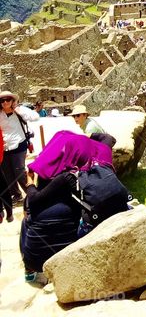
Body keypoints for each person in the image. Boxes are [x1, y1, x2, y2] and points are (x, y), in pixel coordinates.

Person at [20, 132, 112, 281]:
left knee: (26, 222)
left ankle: (29, 270)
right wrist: (89, 137)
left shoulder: (51, 182)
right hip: (67, 255)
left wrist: (30, 182)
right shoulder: (83, 180)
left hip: (35, 260)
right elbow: (108, 139)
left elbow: (33, 199)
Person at [0, 90, 39, 222]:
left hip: (19, 144)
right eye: (2, 100)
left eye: (7, 99)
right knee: (7, 174)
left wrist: (18, 109)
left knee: (19, 171)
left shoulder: (19, 111)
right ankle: (17, 196)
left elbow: (35, 116)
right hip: (4, 147)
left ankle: (31, 194)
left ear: (12, 100)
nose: (5, 102)